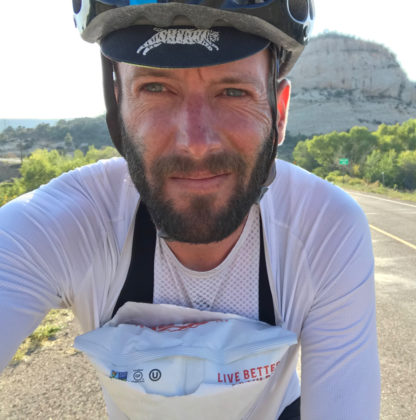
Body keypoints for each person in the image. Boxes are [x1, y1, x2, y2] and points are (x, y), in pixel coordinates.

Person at [0, 0, 380, 418]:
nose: (196, 143)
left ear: (280, 112)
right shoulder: (63, 224)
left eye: (233, 91)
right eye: (156, 89)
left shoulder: (324, 228)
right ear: (118, 105)